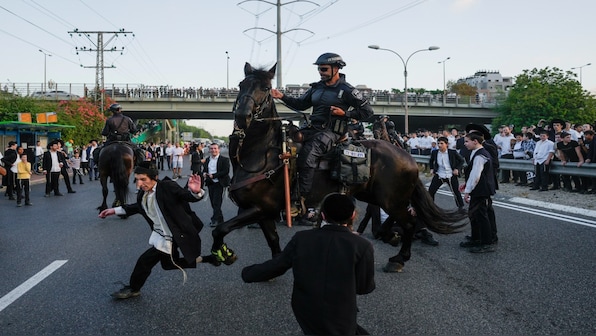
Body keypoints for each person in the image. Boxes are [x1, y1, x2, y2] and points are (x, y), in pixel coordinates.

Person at [242, 193, 375, 335]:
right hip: (341, 310)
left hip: (306, 307)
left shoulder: (301, 238)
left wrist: (248, 273)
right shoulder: (362, 246)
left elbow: (277, 266)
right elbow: (364, 288)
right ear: (353, 215)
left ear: (323, 216)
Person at [270, 53, 374, 200]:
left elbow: (368, 111)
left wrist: (345, 113)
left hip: (332, 132)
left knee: (307, 155)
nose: (321, 72)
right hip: (312, 128)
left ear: (336, 69)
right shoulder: (316, 88)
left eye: (324, 69)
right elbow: (300, 104)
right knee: (282, 143)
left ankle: (301, 199)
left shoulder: (348, 90)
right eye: (319, 69)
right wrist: (282, 96)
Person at [98, 161, 206, 299]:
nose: (139, 184)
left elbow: (185, 195)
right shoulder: (143, 193)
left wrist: (196, 192)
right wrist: (114, 210)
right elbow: (137, 207)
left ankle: (133, 288)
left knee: (145, 261)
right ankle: (205, 259)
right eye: (137, 179)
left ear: (154, 177)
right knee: (167, 265)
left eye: (143, 179)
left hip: (175, 234)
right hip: (161, 234)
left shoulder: (167, 187)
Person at [459, 131, 497, 253]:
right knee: (473, 215)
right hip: (478, 189)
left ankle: (486, 242)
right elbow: (473, 174)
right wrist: (466, 184)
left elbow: (476, 175)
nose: (465, 144)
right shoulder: (476, 153)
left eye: (467, 141)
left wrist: (467, 191)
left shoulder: (481, 155)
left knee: (481, 215)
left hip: (481, 190)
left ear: (475, 141)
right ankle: (476, 238)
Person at [427, 136, 465, 210]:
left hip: (451, 175)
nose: (440, 145)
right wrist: (432, 168)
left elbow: (461, 161)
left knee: (456, 192)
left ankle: (461, 207)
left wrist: (457, 169)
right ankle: (430, 207)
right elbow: (431, 161)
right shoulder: (435, 152)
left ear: (446, 144)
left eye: (442, 143)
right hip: (439, 174)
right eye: (438, 143)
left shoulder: (452, 152)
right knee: (431, 191)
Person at [203, 143, 230, 227]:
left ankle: (214, 220)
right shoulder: (207, 160)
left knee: (216, 202)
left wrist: (214, 175)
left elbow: (226, 171)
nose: (213, 150)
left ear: (219, 149)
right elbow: (205, 169)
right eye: (211, 149)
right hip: (210, 183)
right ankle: (220, 219)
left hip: (219, 183)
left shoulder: (224, 159)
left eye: (215, 148)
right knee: (213, 203)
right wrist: (204, 173)